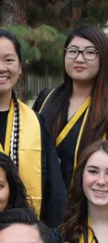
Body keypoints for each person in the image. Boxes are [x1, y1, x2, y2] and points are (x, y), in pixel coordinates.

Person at [0, 28, 66, 228]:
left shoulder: (35, 122)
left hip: (23, 240)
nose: (1, 68)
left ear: (20, 67)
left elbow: (53, 192)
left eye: (9, 60)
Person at [33, 25, 108, 186]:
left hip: (91, 204)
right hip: (44, 204)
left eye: (89, 52)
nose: (79, 59)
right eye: (73, 51)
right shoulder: (46, 99)